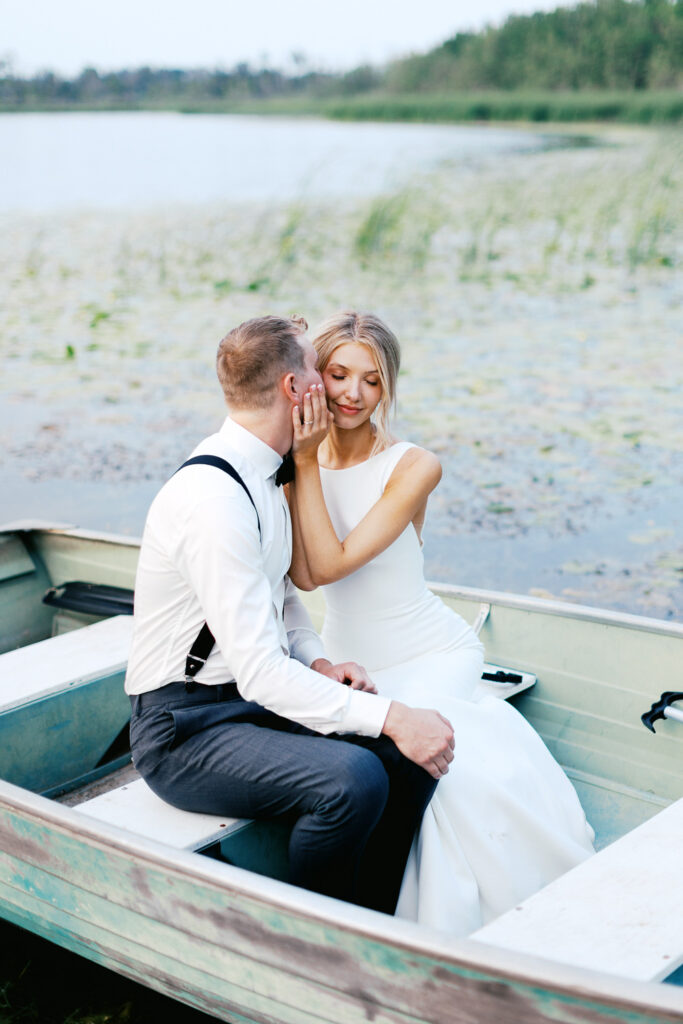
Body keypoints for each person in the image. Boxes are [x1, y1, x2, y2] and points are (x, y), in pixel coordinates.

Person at [124, 313, 456, 914]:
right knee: (352, 780)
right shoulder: (216, 500)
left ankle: (373, 920)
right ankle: (316, 941)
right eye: (317, 368)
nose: (335, 390)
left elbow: (283, 596)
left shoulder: (264, 472)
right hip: (182, 728)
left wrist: (319, 659)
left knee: (407, 763)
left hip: (241, 704)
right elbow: (258, 671)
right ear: (294, 389)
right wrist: (391, 715)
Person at [287, 310, 596, 937]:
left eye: (371, 381)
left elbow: (325, 567)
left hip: (431, 651)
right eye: (338, 374)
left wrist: (304, 462)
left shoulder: (412, 466)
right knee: (368, 765)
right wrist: (297, 462)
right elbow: (292, 575)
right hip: (350, 661)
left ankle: (463, 927)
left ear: (388, 388)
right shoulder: (290, 462)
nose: (352, 394)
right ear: (313, 376)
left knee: (427, 771)